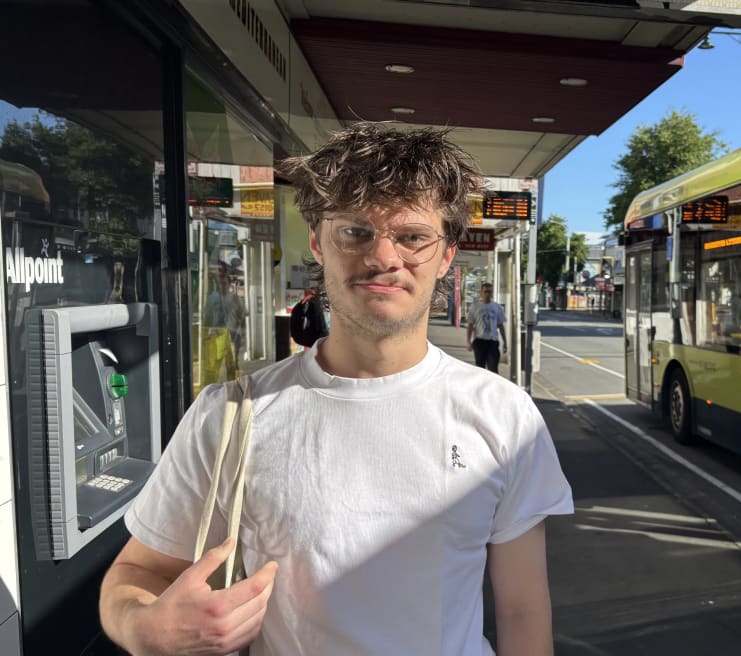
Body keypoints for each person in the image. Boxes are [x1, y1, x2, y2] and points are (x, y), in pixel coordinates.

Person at [98, 123, 574, 656]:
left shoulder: (505, 415)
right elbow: (138, 571)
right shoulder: (230, 414)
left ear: (445, 255)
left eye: (413, 237)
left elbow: (523, 609)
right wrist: (145, 628)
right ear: (319, 242)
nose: (383, 258)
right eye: (356, 231)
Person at [465, 282, 507, 373]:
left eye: (489, 292)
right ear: (481, 293)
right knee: (480, 369)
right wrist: (468, 341)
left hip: (492, 341)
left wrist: (505, 342)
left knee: (493, 369)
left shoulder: (497, 307)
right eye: (485, 291)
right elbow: (470, 325)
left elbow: (501, 326)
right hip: (480, 341)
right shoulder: (475, 307)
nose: (487, 294)